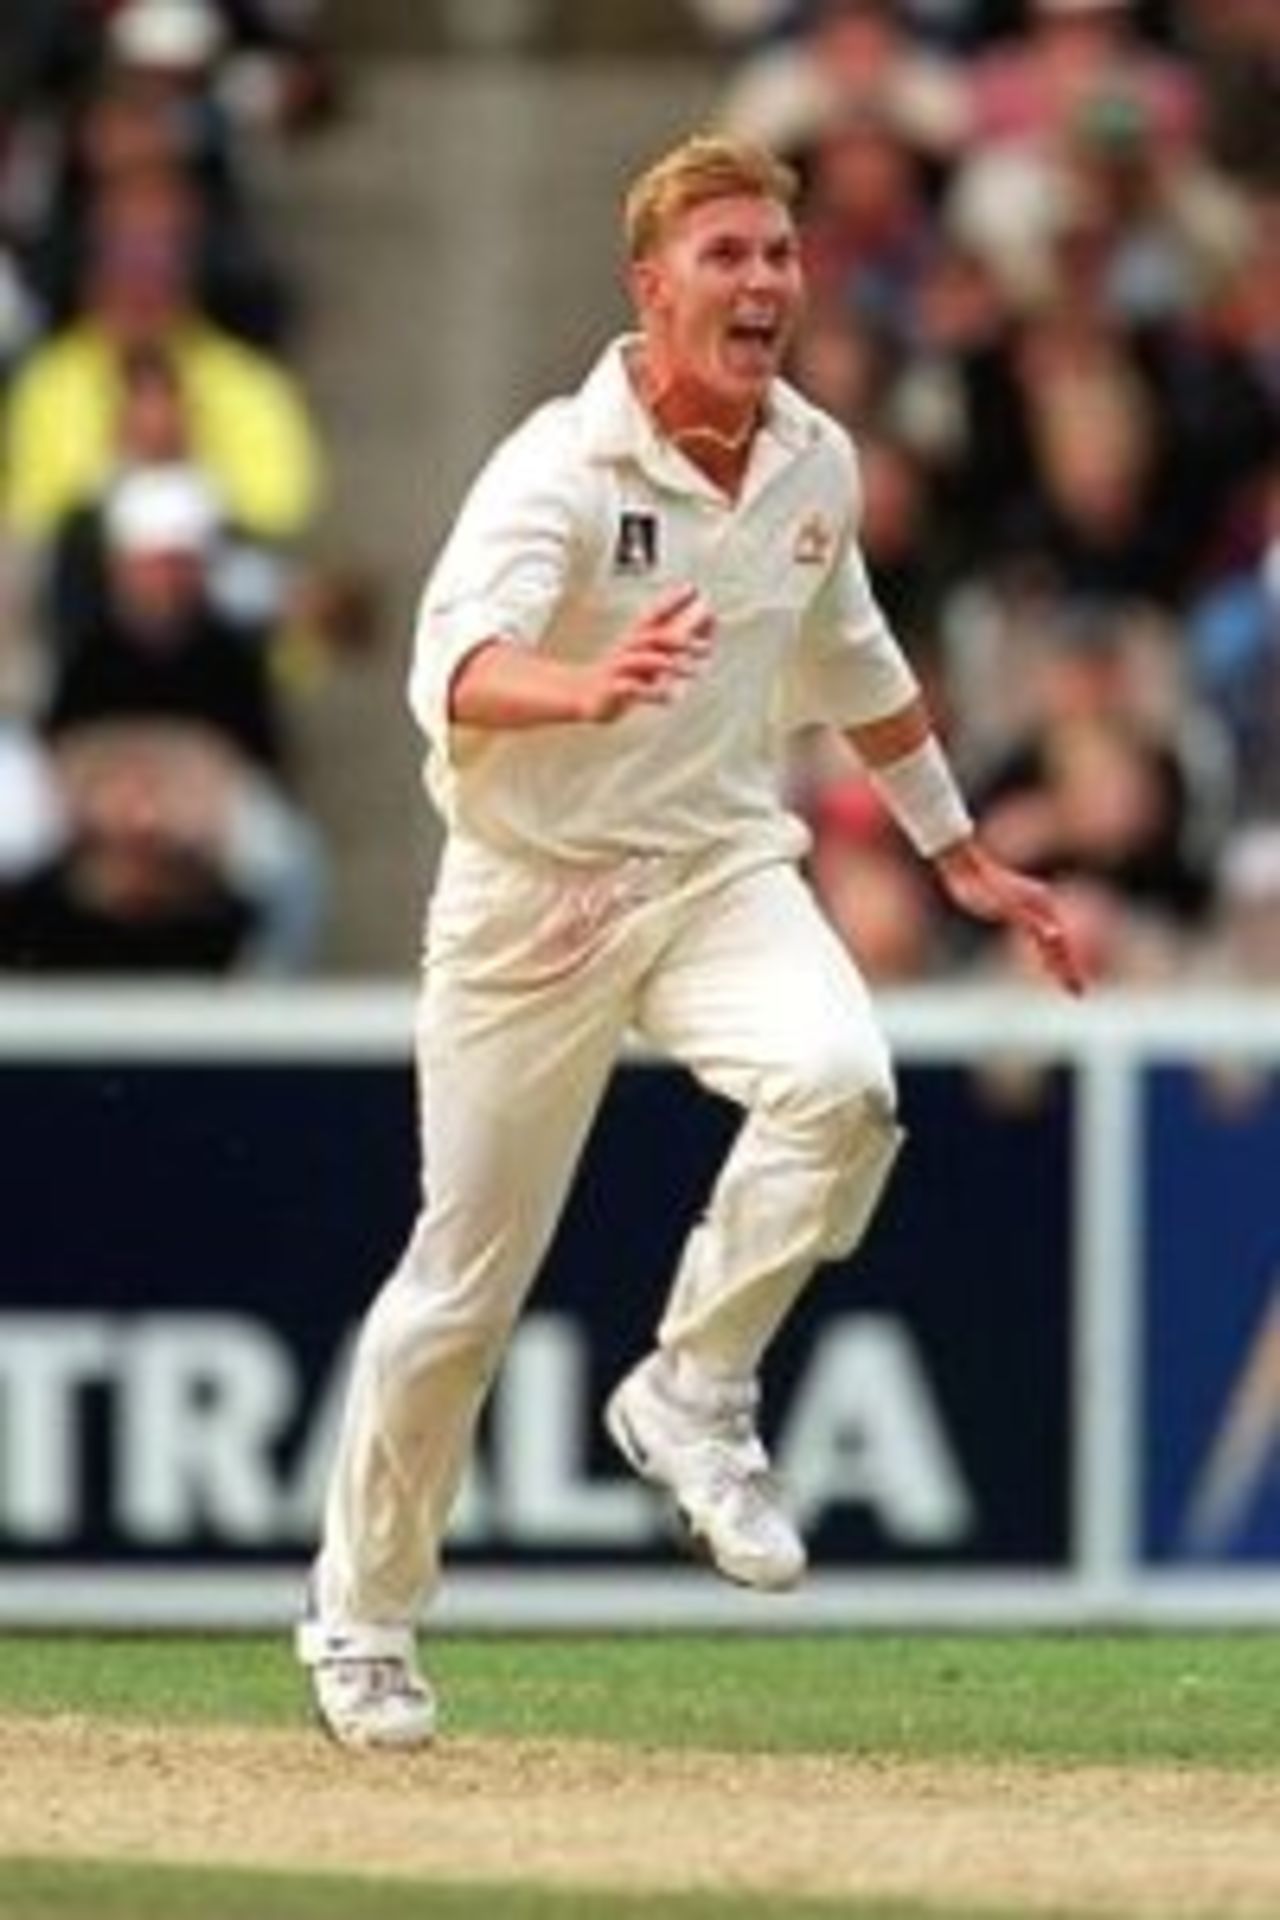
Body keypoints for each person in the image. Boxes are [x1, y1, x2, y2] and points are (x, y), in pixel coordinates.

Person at [296, 133, 1086, 1750]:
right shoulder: (554, 467)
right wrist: (577, 688)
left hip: (718, 867)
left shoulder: (813, 460)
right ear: (649, 286)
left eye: (779, 256)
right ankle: (364, 1620)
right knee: (462, 1289)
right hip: (535, 895)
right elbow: (448, 670)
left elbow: (858, 663)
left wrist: (957, 852)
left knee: (844, 1087)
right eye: (726, 257)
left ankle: (692, 1388)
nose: (764, 285)